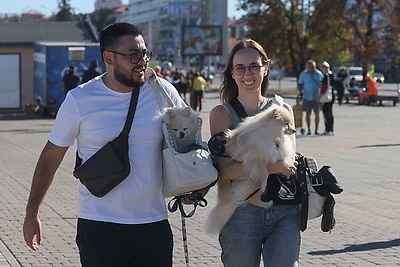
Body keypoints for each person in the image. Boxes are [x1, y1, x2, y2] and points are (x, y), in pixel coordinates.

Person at [22, 22, 187, 266]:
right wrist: (31, 212)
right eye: (133, 54)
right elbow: (51, 157)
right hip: (100, 227)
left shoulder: (162, 92)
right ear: (109, 57)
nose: (142, 61)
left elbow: (187, 142)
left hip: (153, 224)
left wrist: (195, 185)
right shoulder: (80, 99)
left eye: (144, 53)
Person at [208, 38, 299, 267]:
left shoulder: (283, 110)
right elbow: (225, 170)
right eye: (240, 67)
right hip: (241, 213)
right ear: (232, 73)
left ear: (266, 68)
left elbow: (290, 161)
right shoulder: (222, 114)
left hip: (284, 209)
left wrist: (280, 165)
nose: (247, 74)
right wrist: (272, 167)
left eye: (254, 66)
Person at [298, 60, 323, 135]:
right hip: (307, 97)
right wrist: (300, 92)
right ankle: (309, 129)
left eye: (313, 67)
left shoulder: (319, 74)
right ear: (307, 67)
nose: (312, 69)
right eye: (310, 67)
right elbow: (300, 83)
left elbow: (323, 85)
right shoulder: (304, 74)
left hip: (317, 98)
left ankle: (316, 130)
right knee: (307, 114)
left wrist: (321, 95)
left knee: (317, 113)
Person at [319, 61, 335, 136]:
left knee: (326, 113)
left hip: (327, 97)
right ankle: (331, 129)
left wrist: (320, 96)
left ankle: (328, 129)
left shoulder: (326, 76)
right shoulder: (332, 75)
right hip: (331, 95)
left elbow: (324, 87)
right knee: (330, 113)